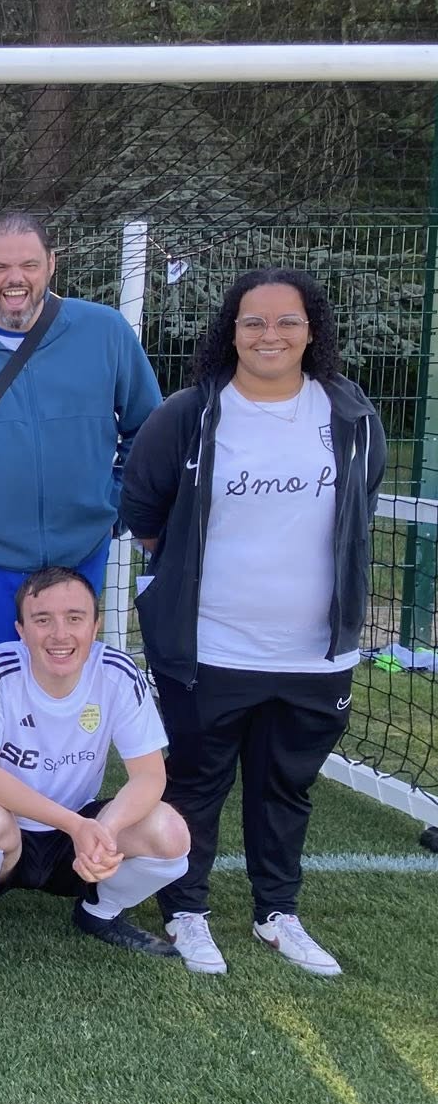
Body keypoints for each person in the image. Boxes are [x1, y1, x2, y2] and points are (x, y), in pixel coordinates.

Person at [121, 268, 384, 978]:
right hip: (211, 646)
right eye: (254, 322)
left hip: (314, 653)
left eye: (287, 321)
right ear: (231, 333)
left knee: (285, 788)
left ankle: (278, 912)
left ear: (311, 330)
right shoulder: (190, 414)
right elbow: (144, 507)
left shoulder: (349, 413)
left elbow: (360, 504)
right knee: (196, 785)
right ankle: (186, 911)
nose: (271, 335)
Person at [0, 213, 161, 829]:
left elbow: (148, 432)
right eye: (0, 267)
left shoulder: (104, 332)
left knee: (68, 689)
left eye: (28, 265)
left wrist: (111, 504)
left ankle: (58, 824)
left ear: (50, 266)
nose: (14, 279)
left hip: (80, 552)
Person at [0, 566, 190, 962]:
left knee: (170, 832)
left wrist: (105, 831)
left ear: (95, 626)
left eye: (74, 618)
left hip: (76, 834)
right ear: (21, 630)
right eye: (42, 620)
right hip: (7, 834)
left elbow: (149, 776)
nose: (60, 634)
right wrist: (76, 826)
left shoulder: (117, 672)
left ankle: (100, 914)